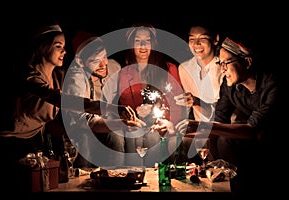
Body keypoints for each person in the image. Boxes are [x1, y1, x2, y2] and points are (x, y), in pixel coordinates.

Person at [0, 23, 141, 192]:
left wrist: (120, 123)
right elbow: (65, 101)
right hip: (11, 142)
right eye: (58, 46)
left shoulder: (59, 77)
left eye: (64, 47)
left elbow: (79, 110)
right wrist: (113, 109)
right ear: (43, 47)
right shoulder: (29, 76)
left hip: (36, 144)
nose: (64, 52)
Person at [176, 35, 278, 198]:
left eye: (226, 63)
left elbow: (252, 130)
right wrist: (180, 131)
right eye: (220, 63)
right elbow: (218, 121)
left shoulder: (272, 85)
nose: (222, 69)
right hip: (253, 142)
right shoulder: (230, 86)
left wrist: (197, 126)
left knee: (226, 140)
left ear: (247, 62)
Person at [62, 31, 144, 167]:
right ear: (80, 62)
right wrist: (118, 123)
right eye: (96, 61)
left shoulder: (114, 67)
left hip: (102, 122)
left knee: (132, 132)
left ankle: (132, 172)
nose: (103, 64)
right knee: (111, 134)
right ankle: (111, 177)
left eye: (104, 57)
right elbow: (83, 120)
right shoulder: (75, 79)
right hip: (81, 129)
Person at [118, 22, 186, 166]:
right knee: (134, 133)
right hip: (137, 124)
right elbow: (123, 103)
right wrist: (136, 112)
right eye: (138, 41)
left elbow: (177, 104)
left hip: (162, 124)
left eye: (147, 40)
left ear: (153, 43)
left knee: (152, 135)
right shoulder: (125, 72)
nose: (143, 45)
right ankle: (134, 174)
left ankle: (153, 176)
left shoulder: (168, 69)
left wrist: (169, 122)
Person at [176, 20, 224, 163]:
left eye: (202, 39)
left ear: (215, 39)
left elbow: (224, 112)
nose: (196, 44)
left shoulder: (224, 68)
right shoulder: (184, 69)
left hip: (221, 129)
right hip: (197, 129)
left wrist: (197, 103)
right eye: (192, 39)